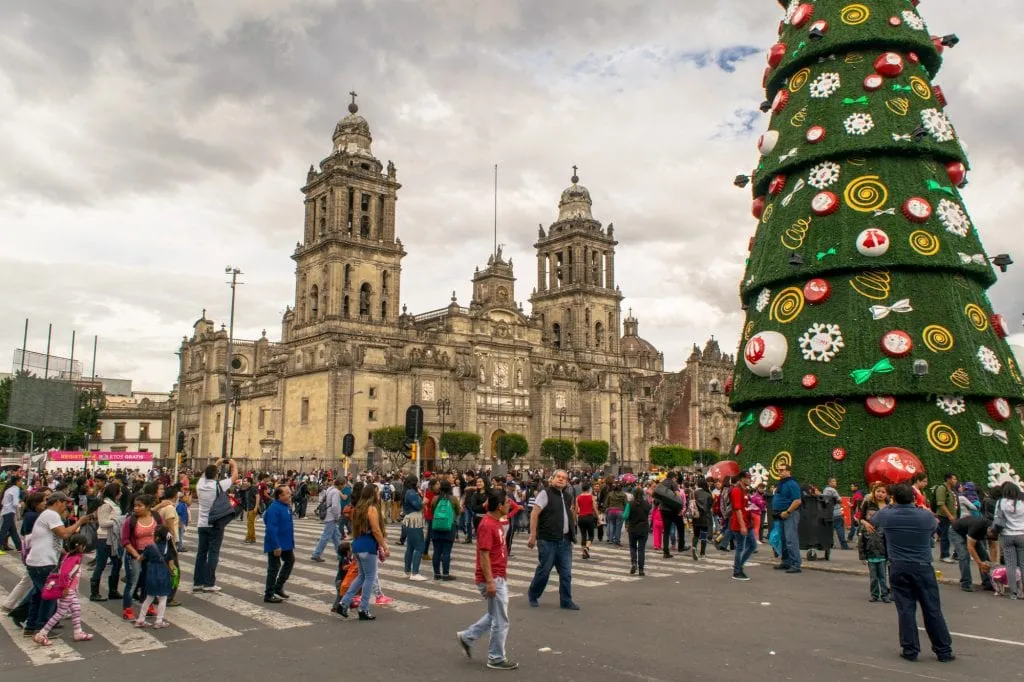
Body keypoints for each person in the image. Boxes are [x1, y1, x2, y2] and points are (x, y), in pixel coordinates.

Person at [872, 483, 954, 663]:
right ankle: (943, 650)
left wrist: (890, 505)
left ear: (893, 498)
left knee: (906, 609)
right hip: (922, 565)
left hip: (898, 565)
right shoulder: (925, 516)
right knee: (932, 608)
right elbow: (935, 527)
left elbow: (874, 520)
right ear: (914, 498)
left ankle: (910, 649)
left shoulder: (887, 514)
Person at [456, 488, 518, 670]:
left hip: (498, 575)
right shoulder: (487, 524)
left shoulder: (496, 521)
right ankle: (496, 657)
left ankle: (467, 637)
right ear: (499, 506)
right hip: (492, 578)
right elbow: (484, 555)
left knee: (494, 615)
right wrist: (490, 581)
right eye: (506, 502)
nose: (509, 504)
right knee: (501, 620)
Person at [24, 493, 93, 636]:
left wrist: (66, 553)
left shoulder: (47, 515)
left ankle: (31, 626)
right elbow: (65, 534)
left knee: (39, 595)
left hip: (39, 561)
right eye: (65, 503)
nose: (66, 506)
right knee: (51, 596)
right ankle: (41, 628)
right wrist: (79, 522)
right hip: (43, 562)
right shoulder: (51, 515)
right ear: (57, 502)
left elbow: (53, 540)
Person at [526, 469, 579, 610]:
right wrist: (532, 535)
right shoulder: (545, 493)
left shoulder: (567, 496)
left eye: (564, 478)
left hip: (565, 541)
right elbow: (534, 514)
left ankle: (566, 600)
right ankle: (533, 594)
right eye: (558, 477)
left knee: (566, 573)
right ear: (552, 479)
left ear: (567, 481)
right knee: (544, 571)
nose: (561, 479)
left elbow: (568, 514)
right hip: (547, 540)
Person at [338, 485, 390, 620]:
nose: (379, 495)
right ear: (373, 494)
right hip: (368, 545)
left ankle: (344, 602)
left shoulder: (358, 509)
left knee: (361, 576)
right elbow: (376, 530)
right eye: (377, 493)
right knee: (369, 577)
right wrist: (384, 546)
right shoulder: (371, 509)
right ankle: (364, 608)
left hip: (357, 544)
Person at [32, 533, 94, 646]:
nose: (85, 548)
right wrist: (65, 588)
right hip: (68, 589)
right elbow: (65, 574)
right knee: (60, 612)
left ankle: (78, 632)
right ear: (80, 546)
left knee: (75, 608)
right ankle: (41, 634)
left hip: (70, 589)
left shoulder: (70, 556)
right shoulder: (74, 558)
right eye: (84, 545)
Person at [192, 458, 239, 594]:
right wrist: (233, 463)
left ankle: (198, 582)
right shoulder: (218, 485)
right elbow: (234, 476)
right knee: (213, 553)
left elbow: (205, 474)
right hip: (215, 523)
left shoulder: (200, 484)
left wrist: (217, 463)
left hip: (202, 524)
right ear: (216, 475)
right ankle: (209, 583)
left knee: (201, 554)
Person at [134, 525, 176, 629]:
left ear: (157, 537)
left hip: (151, 574)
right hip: (163, 575)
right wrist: (173, 573)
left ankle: (140, 620)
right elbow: (171, 565)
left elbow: (140, 558)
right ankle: (159, 620)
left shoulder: (150, 547)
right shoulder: (169, 549)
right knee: (163, 598)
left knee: (148, 598)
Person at [90, 481, 123, 602]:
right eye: (119, 490)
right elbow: (103, 523)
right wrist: (118, 520)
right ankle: (94, 592)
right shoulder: (106, 504)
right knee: (101, 564)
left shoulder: (113, 503)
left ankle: (113, 590)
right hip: (104, 537)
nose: (121, 493)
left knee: (117, 563)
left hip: (113, 537)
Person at [858, 482, 890, 602]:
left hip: (884, 535)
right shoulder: (868, 503)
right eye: (878, 491)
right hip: (870, 533)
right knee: (874, 576)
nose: (880, 494)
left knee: (883, 574)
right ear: (874, 491)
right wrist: (865, 523)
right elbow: (860, 517)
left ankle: (886, 594)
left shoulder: (888, 505)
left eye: (883, 492)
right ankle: (875, 594)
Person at [263, 485, 296, 603]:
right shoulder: (274, 508)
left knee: (290, 561)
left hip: (286, 543)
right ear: (280, 496)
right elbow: (271, 528)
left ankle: (278, 586)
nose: (289, 494)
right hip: (276, 543)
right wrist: (276, 545)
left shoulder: (285, 506)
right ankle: (269, 593)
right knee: (274, 567)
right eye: (287, 493)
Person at [950, 515, 996, 593]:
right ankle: (966, 583)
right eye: (989, 536)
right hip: (957, 532)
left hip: (972, 534)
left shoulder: (994, 529)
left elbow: (993, 547)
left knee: (984, 556)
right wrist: (979, 563)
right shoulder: (977, 527)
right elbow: (970, 547)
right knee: (964, 556)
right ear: (989, 530)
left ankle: (988, 583)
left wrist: (993, 564)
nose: (989, 538)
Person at [771, 464, 803, 573]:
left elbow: (797, 501)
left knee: (791, 539)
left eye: (782, 470)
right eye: (778, 470)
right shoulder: (782, 483)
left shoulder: (792, 484)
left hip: (790, 514)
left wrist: (788, 511)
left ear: (788, 471)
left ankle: (795, 564)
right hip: (781, 514)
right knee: (783, 539)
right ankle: (786, 561)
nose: (779, 472)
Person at [995, 481, 1024, 600]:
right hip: (1022, 535)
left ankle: (1013, 593)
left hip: (1006, 536)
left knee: (1010, 565)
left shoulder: (1001, 502)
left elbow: (997, 519)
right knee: (1023, 564)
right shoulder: (1022, 503)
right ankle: (1023, 592)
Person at [431, 480, 460, 581]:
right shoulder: (454, 499)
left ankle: (436, 574)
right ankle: (446, 574)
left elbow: (432, 511)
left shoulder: (435, 499)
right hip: (449, 527)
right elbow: (458, 511)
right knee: (446, 552)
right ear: (450, 488)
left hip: (436, 527)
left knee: (436, 551)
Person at [730, 471, 756, 581]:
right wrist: (742, 526)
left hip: (747, 523)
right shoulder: (736, 491)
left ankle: (739, 564)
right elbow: (737, 510)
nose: (750, 480)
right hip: (740, 524)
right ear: (742, 479)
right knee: (740, 547)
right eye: (748, 478)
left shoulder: (744, 490)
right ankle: (737, 571)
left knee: (752, 546)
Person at [312, 478, 344, 562]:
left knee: (336, 536)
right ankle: (316, 554)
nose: (344, 487)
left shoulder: (330, 489)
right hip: (332, 517)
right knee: (326, 536)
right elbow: (335, 506)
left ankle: (340, 555)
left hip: (328, 515)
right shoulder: (336, 492)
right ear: (340, 484)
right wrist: (337, 517)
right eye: (344, 485)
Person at [402, 474, 427, 580]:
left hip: (410, 519)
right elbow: (418, 505)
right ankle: (415, 572)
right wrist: (424, 501)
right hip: (414, 520)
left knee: (410, 547)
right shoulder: (411, 493)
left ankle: (407, 571)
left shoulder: (409, 492)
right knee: (419, 546)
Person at [626, 483, 651, 576]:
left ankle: (633, 563)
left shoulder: (630, 504)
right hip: (643, 528)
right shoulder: (647, 505)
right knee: (641, 549)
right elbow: (649, 509)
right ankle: (641, 569)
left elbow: (625, 516)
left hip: (632, 528)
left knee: (632, 547)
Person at [934, 473, 960, 564]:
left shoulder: (952, 489)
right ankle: (944, 555)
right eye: (954, 479)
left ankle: (952, 554)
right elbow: (941, 504)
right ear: (948, 479)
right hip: (944, 516)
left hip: (952, 516)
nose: (955, 481)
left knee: (950, 535)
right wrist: (949, 515)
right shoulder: (942, 488)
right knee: (945, 535)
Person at [823, 477, 851, 550]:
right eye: (833, 481)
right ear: (829, 483)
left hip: (829, 513)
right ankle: (844, 545)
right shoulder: (832, 490)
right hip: (836, 513)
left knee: (830, 530)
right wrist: (839, 500)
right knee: (840, 529)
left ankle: (830, 544)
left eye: (835, 481)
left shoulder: (825, 490)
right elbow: (840, 499)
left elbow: (825, 501)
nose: (835, 483)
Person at [573, 481, 597, 559]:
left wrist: (574, 520)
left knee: (583, 535)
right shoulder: (591, 497)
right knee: (591, 535)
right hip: (589, 517)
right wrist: (599, 518)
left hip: (581, 518)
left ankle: (584, 553)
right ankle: (587, 548)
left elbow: (576, 509)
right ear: (589, 489)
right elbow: (594, 508)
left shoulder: (578, 497)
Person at [0, 475, 23, 555]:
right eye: (20, 481)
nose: (21, 482)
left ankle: (19, 547)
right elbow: (15, 503)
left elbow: (3, 502)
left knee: (13, 531)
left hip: (5, 511)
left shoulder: (8, 489)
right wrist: (21, 505)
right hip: (9, 512)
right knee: (4, 530)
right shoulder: (16, 489)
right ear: (17, 482)